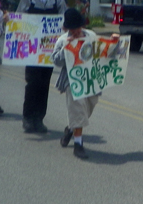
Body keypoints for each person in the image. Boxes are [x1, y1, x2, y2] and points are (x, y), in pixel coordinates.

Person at [51, 8, 119, 159]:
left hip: (91, 79)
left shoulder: (91, 36)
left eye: (77, 28)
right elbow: (56, 60)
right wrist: (65, 48)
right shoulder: (62, 40)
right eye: (72, 29)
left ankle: (70, 129)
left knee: (88, 107)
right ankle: (78, 144)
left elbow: (104, 52)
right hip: (72, 80)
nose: (75, 31)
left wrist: (114, 42)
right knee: (77, 107)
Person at [17, 0, 68, 133]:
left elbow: (64, 19)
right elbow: (19, 19)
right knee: (32, 82)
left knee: (44, 83)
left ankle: (39, 118)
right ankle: (28, 117)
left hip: (49, 49)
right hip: (31, 48)